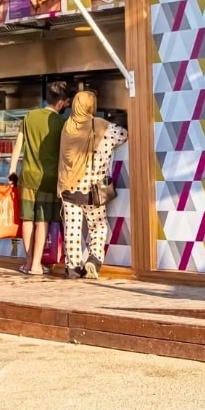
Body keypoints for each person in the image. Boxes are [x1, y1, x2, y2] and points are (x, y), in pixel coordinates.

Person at [57, 90, 127, 280]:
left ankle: (73, 268)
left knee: (72, 229)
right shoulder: (100, 125)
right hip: (93, 189)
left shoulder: (67, 127)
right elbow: (124, 135)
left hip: (69, 188)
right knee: (98, 226)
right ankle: (94, 260)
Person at [7, 81, 72, 276]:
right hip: (48, 179)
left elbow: (18, 145)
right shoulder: (62, 123)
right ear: (60, 102)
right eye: (67, 103)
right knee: (42, 221)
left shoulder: (29, 116)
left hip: (27, 176)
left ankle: (28, 263)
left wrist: (12, 170)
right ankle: (36, 264)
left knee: (27, 220)